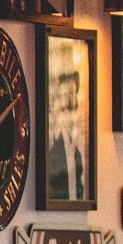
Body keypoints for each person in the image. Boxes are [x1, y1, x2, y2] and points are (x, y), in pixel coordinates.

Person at [45, 61, 85, 205]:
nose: (71, 102)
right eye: (67, 96)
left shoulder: (74, 146)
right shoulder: (48, 142)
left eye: (74, 95)